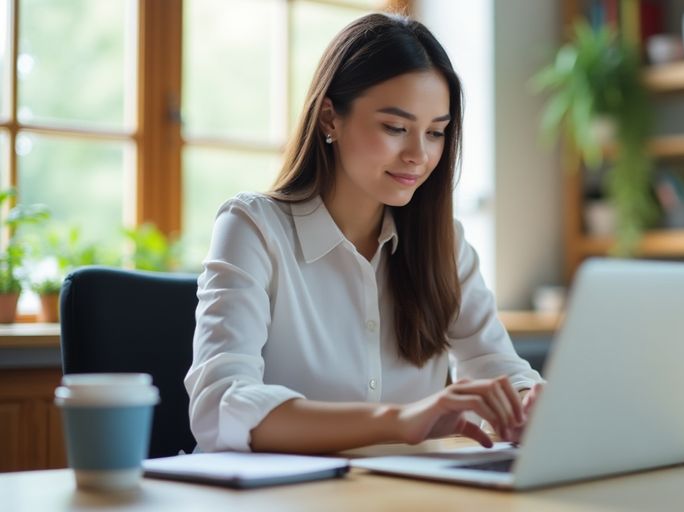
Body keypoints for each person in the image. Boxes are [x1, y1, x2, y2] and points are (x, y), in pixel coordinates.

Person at [185, 13, 543, 455]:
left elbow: (495, 365)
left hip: (397, 494)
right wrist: (399, 421)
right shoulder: (253, 228)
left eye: (435, 133)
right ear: (329, 118)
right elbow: (220, 407)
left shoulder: (444, 243)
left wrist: (528, 403)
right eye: (395, 128)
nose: (419, 155)